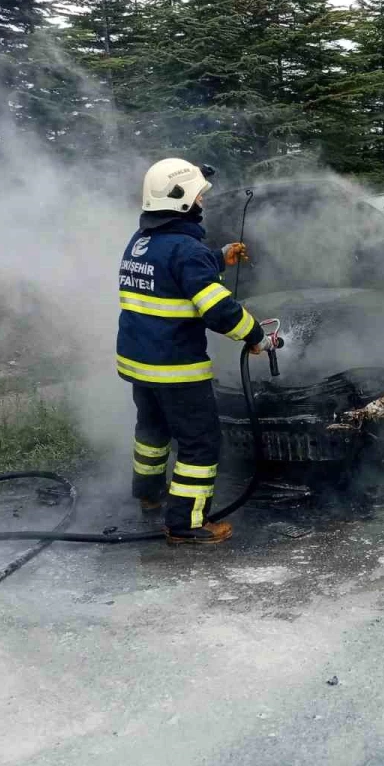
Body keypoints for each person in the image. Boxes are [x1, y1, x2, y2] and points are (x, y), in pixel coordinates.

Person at [116, 158, 274, 544]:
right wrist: (256, 336)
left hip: (139, 365)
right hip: (176, 370)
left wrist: (218, 257)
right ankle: (185, 524)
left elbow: (172, 276)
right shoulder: (187, 251)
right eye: (200, 194)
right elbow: (219, 310)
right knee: (199, 443)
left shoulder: (140, 242)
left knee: (151, 431)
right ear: (184, 201)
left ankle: (149, 495)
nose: (204, 199)